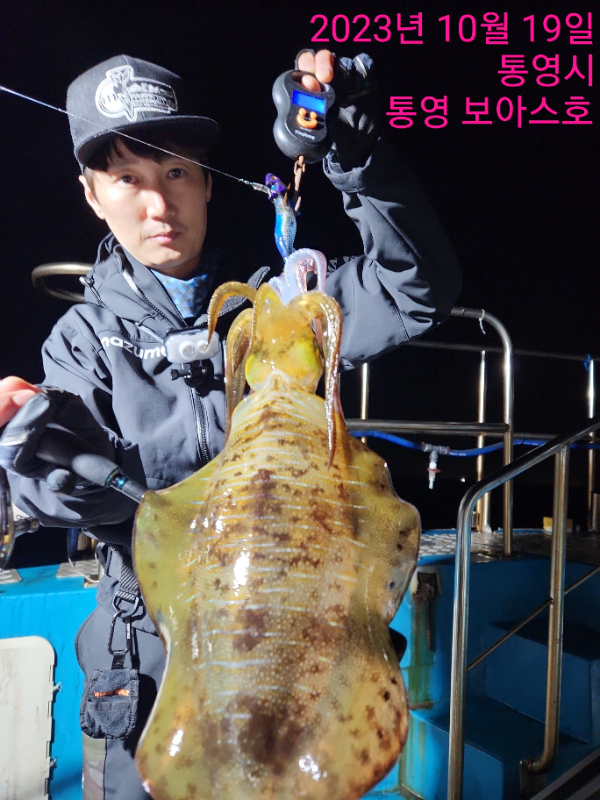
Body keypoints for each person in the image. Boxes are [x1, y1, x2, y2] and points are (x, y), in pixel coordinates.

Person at [0, 50, 460, 799]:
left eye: (176, 172)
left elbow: (418, 289)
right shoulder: (81, 342)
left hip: (308, 628)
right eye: (127, 180)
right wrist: (42, 457)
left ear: (209, 180)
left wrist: (355, 153)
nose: (158, 204)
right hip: (147, 655)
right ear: (92, 195)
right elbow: (63, 495)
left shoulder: (283, 309)